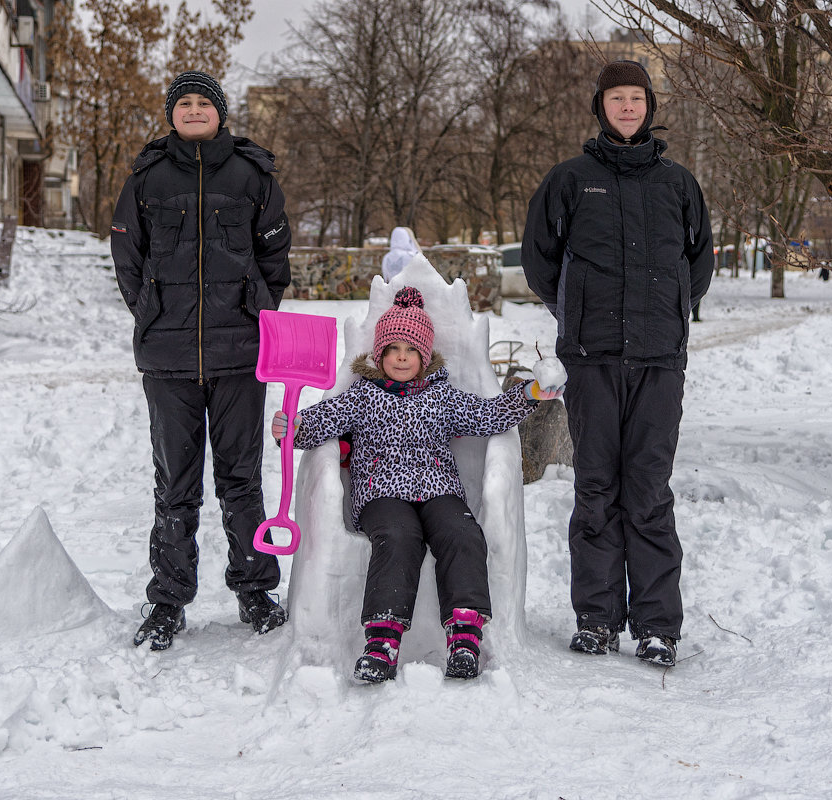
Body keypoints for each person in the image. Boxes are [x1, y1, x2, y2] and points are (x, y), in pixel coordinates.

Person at [521, 60, 714, 668]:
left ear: (649, 108)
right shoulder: (570, 180)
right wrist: (576, 311)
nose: (627, 107)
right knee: (596, 486)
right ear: (600, 106)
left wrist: (671, 313)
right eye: (616, 98)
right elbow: (539, 260)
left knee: (649, 490)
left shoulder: (678, 183)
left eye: (637, 98)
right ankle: (597, 619)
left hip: (660, 359)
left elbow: (699, 262)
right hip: (593, 358)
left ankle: (657, 625)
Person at [271, 287, 563, 682]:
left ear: (424, 356)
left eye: (411, 349)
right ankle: (382, 642)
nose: (402, 357)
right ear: (380, 355)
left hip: (439, 490)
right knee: (397, 537)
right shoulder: (361, 396)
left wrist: (531, 393)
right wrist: (292, 426)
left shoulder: (443, 397)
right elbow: (320, 422)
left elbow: (489, 415)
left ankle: (464, 637)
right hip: (382, 492)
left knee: (462, 533)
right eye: (393, 349)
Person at [111, 70, 293, 651]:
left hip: (241, 354)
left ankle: (255, 589)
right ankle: (167, 600)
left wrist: (257, 307)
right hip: (168, 356)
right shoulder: (147, 177)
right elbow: (127, 254)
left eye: (202, 102)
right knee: (175, 485)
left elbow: (275, 256)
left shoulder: (251, 174)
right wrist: (149, 308)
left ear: (219, 111)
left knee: (241, 480)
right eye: (182, 102)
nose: (192, 110)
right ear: (172, 113)